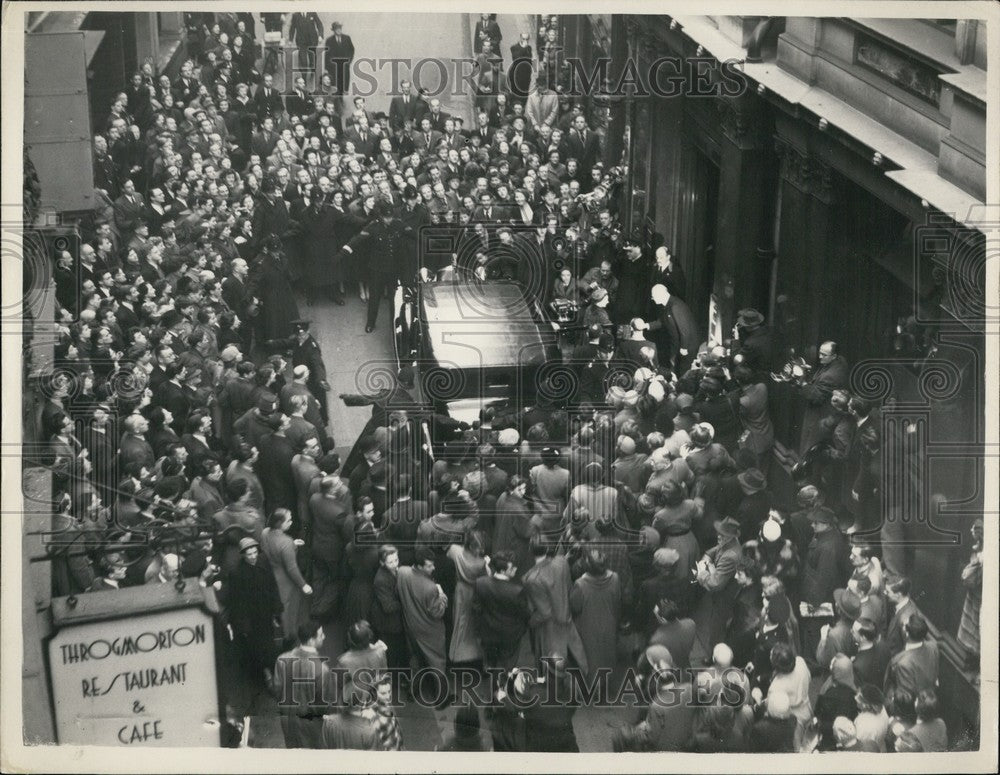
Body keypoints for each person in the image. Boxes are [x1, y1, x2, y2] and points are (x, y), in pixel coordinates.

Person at [220, 537, 283, 688]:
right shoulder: (236, 573)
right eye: (249, 554)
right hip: (251, 617)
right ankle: (266, 674)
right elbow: (237, 602)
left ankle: (272, 674)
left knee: (269, 645)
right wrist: (244, 624)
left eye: (255, 552)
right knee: (256, 647)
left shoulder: (263, 562)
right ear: (243, 555)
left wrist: (276, 610)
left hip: (265, 613)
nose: (253, 556)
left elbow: (273, 586)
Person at [523, 535, 588, 673]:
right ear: (547, 548)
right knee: (577, 659)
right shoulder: (562, 563)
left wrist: (530, 622)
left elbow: (544, 613)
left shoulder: (531, 578)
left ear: (530, 550)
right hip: (567, 618)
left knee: (553, 668)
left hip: (549, 628)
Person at [271, 623, 331, 748]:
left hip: (288, 720)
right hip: (311, 724)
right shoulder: (322, 669)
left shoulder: (282, 659)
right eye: (321, 635)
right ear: (311, 640)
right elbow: (323, 703)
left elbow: (277, 690)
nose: (324, 637)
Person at [396, 546, 449, 687]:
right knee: (438, 662)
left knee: (415, 660)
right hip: (429, 631)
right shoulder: (430, 588)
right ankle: (441, 698)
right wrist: (442, 596)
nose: (433, 568)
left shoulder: (402, 572)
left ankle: (413, 691)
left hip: (410, 625)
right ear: (420, 566)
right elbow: (437, 612)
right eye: (429, 565)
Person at [261, 507, 312, 642]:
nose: (291, 522)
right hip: (286, 582)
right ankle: (289, 637)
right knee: (289, 611)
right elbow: (292, 569)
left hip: (271, 575)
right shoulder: (286, 542)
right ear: (280, 524)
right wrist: (304, 585)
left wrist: (292, 545)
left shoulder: (265, 532)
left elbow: (272, 550)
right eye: (288, 520)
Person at [570, 549, 622, 679]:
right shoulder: (615, 578)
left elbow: (574, 607)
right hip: (609, 623)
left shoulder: (580, 585)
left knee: (590, 657)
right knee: (607, 653)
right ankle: (605, 680)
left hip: (587, 627)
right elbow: (617, 600)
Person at [446, 529, 488, 666]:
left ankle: (455, 653)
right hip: (474, 592)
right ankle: (473, 654)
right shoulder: (481, 563)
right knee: (471, 624)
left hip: (459, 591)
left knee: (458, 621)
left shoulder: (454, 551)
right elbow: (486, 579)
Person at [324, 22, 355, 96]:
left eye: (340, 29)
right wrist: (326, 67)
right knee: (335, 79)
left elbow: (352, 49)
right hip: (334, 65)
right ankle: (336, 94)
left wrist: (349, 60)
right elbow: (327, 54)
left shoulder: (347, 38)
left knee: (345, 77)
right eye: (337, 29)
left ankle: (345, 90)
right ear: (334, 30)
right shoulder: (329, 40)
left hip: (344, 63)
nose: (339, 31)